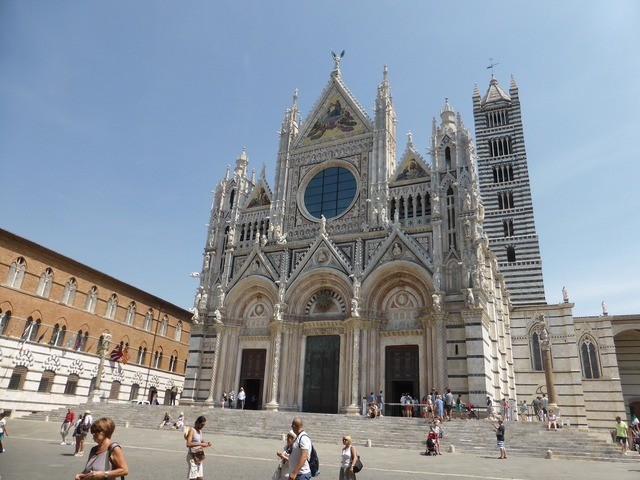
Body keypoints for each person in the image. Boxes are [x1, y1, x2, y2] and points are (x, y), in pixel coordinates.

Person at [186, 416, 212, 480]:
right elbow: (188, 444)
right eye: (202, 425)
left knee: (200, 478)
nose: (203, 426)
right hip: (192, 456)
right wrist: (201, 444)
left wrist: (207, 443)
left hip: (198, 456)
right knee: (193, 478)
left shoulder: (200, 431)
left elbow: (202, 442)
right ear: (198, 423)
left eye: (204, 425)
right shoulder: (192, 431)